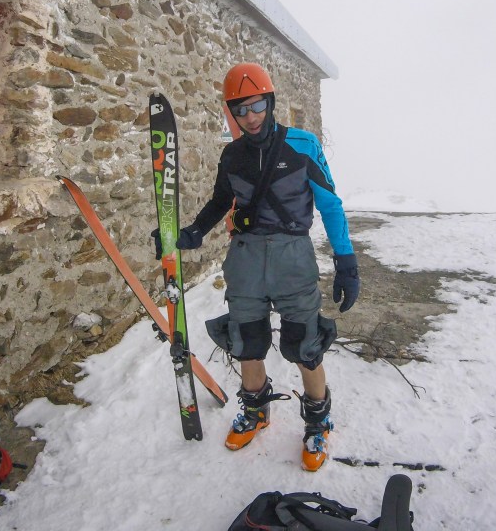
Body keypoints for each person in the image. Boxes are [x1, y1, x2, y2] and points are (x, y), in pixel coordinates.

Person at [154, 62, 360, 471]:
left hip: (292, 257)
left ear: (270, 101)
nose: (250, 117)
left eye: (256, 106)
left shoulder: (303, 145)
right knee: (246, 338)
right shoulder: (232, 155)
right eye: (240, 110)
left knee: (305, 344)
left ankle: (317, 422)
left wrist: (346, 261)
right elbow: (219, 202)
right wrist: (192, 232)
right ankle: (255, 410)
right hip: (245, 257)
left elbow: (330, 204)